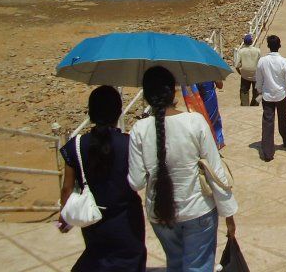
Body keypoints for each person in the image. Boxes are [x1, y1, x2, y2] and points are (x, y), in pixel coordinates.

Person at [128, 66, 237, 272]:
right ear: (173, 91)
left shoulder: (139, 130)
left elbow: (136, 182)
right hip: (198, 210)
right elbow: (216, 171)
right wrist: (229, 214)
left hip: (161, 213)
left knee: (175, 263)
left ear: (146, 95)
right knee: (198, 266)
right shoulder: (194, 121)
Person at [59, 85, 147, 272]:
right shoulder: (128, 143)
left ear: (90, 112)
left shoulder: (76, 145)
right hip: (126, 219)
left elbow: (67, 188)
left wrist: (64, 216)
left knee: (98, 259)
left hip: (94, 219)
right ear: (118, 112)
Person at [255, 35, 286, 161]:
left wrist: (259, 90)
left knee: (268, 123)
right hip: (281, 96)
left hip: (267, 96)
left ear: (268, 46)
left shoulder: (262, 61)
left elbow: (259, 79)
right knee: (283, 119)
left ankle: (268, 153)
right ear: (279, 46)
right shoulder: (284, 62)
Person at [195, 80, 225, 148]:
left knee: (201, 120)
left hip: (196, 98)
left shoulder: (191, 71)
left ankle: (205, 143)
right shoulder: (211, 70)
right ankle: (217, 141)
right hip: (209, 97)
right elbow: (220, 86)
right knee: (213, 119)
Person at [235, 34, 262, 106]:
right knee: (257, 91)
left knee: (244, 90)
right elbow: (260, 63)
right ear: (251, 41)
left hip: (244, 74)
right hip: (255, 74)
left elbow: (237, 65)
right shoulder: (257, 51)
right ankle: (255, 104)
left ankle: (244, 104)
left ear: (244, 42)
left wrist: (240, 73)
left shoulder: (241, 51)